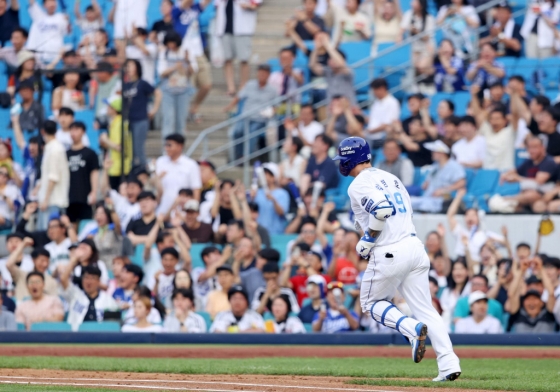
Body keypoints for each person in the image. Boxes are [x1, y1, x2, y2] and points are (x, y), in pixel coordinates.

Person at [332, 136, 461, 380]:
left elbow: (381, 209)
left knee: (370, 304)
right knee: (426, 310)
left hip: (390, 250)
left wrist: (368, 239)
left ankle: (410, 329)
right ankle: (448, 363)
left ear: (351, 158)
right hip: (414, 246)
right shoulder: (391, 178)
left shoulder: (358, 183)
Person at [223, 64, 278, 160]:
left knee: (252, 133)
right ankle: (240, 155)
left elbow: (276, 107)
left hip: (260, 119)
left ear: (268, 75)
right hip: (245, 117)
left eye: (264, 74)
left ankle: (246, 157)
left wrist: (271, 112)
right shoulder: (250, 85)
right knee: (237, 132)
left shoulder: (273, 90)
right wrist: (229, 106)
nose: (262, 76)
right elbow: (239, 97)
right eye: (260, 73)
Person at [495, 136, 557, 213]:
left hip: (544, 195)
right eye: (529, 148)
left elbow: (538, 181)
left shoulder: (548, 162)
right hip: (527, 195)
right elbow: (515, 171)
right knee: (518, 207)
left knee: (534, 199)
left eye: (535, 147)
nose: (531, 151)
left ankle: (505, 200)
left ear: (542, 148)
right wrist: (505, 175)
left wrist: (517, 179)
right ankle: (507, 203)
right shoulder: (528, 162)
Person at [215, 0, 262, 96]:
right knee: (227, 59)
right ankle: (231, 88)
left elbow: (256, 3)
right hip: (225, 27)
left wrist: (248, 6)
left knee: (244, 59)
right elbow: (216, 5)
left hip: (242, 29)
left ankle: (243, 87)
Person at [123, 59, 160, 167]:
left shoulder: (142, 83)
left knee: (138, 148)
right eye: (127, 66)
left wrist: (154, 109)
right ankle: (134, 172)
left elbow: (157, 93)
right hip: (127, 120)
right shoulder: (125, 84)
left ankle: (144, 171)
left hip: (140, 119)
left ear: (137, 68)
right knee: (130, 149)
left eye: (130, 66)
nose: (128, 68)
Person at [410, 140, 466, 213]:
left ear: (442, 153)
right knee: (408, 202)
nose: (432, 153)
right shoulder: (435, 166)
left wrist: (444, 191)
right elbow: (426, 183)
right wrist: (426, 184)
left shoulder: (454, 166)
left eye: (434, 151)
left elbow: (461, 183)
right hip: (427, 198)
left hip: (440, 201)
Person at [60, 263, 118, 331]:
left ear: (99, 281)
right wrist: (75, 258)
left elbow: (113, 324)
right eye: (86, 277)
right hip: (76, 336)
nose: (89, 282)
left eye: (93, 278)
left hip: (100, 336)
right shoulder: (75, 295)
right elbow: (63, 279)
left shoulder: (108, 300)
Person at [157, 31, 193, 139]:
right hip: (168, 91)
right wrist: (175, 67)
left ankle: (179, 148)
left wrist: (187, 61)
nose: (170, 46)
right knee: (168, 120)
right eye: (168, 43)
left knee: (180, 121)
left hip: (183, 91)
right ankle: (166, 148)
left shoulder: (186, 53)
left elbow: (192, 72)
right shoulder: (165, 54)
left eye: (172, 43)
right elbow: (161, 73)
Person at [470, 87, 515, 171]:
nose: (494, 122)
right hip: (487, 172)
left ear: (505, 120)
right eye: (492, 119)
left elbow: (515, 114)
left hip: (505, 172)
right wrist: (473, 95)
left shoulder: (510, 132)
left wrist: (513, 96)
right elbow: (477, 115)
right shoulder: (487, 131)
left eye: (497, 119)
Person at [156, 134, 202, 215]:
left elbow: (196, 190)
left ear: (180, 146)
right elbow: (154, 186)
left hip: (182, 212)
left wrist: (193, 211)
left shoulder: (191, 164)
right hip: (163, 208)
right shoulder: (160, 162)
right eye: (165, 145)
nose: (166, 148)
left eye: (169, 145)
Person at [38, 120, 70, 231]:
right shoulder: (50, 148)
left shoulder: (55, 149)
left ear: (43, 132)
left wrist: (46, 199)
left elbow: (53, 177)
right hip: (49, 200)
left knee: (50, 234)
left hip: (53, 201)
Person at [5, 237, 58, 302]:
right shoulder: (22, 275)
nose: (45, 264)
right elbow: (9, 264)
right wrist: (23, 244)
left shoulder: (51, 281)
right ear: (33, 260)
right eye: (42, 261)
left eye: (47, 261)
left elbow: (54, 302)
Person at [309, 33, 355, 106]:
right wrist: (316, 48)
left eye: (334, 59)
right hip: (332, 109)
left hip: (347, 108)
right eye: (330, 59)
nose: (332, 61)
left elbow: (340, 64)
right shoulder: (328, 71)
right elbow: (312, 65)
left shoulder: (347, 71)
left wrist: (327, 45)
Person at [66, 121, 99, 224]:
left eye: (76, 129)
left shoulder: (90, 153)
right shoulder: (65, 154)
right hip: (69, 197)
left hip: (84, 196)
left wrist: (94, 191)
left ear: (83, 132)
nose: (73, 133)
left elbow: (94, 173)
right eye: (71, 130)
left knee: (85, 225)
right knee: (70, 225)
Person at [252, 163, 290, 235]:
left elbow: (281, 212)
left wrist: (274, 201)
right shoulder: (257, 192)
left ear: (273, 177)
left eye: (266, 174)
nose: (263, 176)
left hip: (275, 233)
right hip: (258, 233)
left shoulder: (283, 193)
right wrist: (251, 198)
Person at [27, 0, 69, 65]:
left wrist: (68, 23)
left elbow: (68, 33)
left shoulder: (61, 17)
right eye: (49, 2)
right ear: (44, 5)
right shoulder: (39, 16)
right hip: (40, 58)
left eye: (53, 2)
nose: (52, 4)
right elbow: (32, 2)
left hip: (56, 57)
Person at [366, 78, 400, 150]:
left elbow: (387, 124)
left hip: (381, 138)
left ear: (382, 88)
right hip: (370, 136)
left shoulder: (392, 102)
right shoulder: (376, 103)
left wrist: (369, 131)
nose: (373, 93)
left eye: (375, 90)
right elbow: (372, 121)